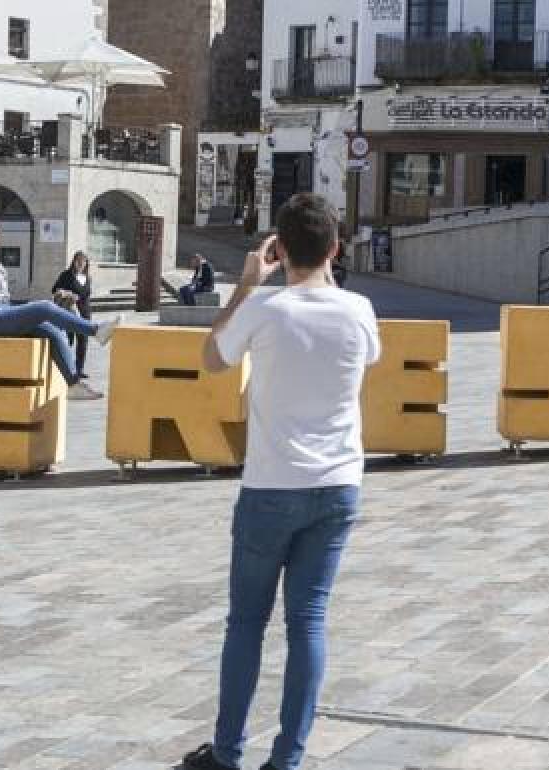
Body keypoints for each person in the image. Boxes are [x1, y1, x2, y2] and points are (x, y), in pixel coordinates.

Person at [176, 194, 380, 770]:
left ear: (279, 249)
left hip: (271, 486)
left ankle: (226, 752)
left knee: (246, 623)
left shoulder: (266, 309)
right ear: (336, 249)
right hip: (338, 484)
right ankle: (287, 759)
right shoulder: (359, 311)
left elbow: (212, 358)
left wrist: (246, 283)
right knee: (308, 621)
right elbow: (367, 359)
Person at [0, 216, 121, 401]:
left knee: (51, 330)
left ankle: (73, 383)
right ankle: (96, 330)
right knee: (44, 307)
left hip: (3, 311)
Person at [51, 250, 94, 381]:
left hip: (85, 312)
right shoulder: (66, 275)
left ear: (86, 263)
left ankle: (79, 370)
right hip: (70, 312)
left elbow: (86, 295)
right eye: (78, 260)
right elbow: (55, 289)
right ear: (74, 262)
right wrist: (68, 293)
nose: (81, 263)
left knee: (83, 342)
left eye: (83, 261)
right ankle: (68, 368)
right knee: (69, 340)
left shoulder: (88, 277)